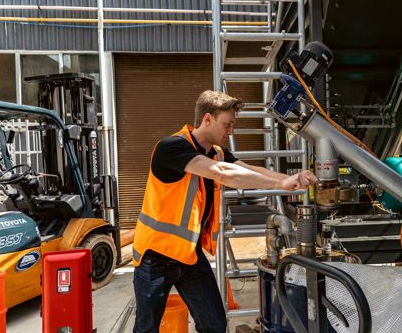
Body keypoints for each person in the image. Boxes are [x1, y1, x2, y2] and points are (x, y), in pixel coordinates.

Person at [132, 90, 318, 333]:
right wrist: (281, 185)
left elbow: (249, 169)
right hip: (154, 257)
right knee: (146, 329)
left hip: (189, 256)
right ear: (207, 119)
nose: (231, 131)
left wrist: (291, 179)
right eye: (227, 124)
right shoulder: (172, 147)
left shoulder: (217, 153)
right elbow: (223, 173)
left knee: (215, 325)